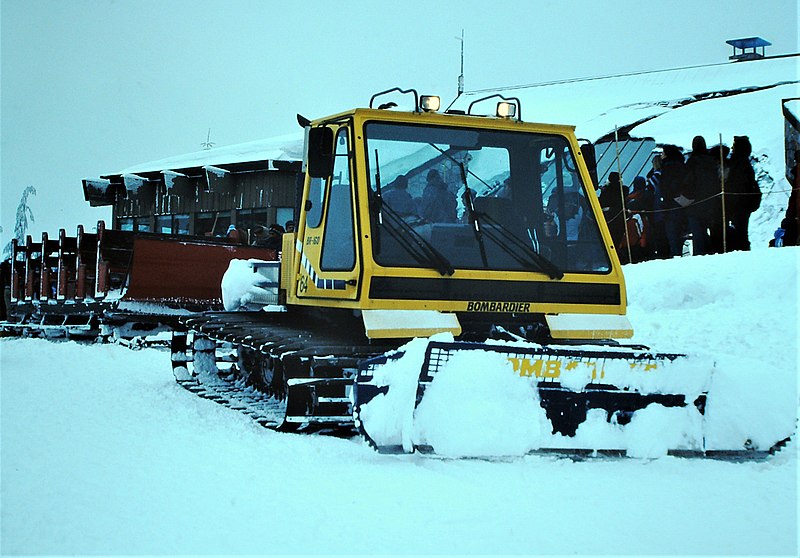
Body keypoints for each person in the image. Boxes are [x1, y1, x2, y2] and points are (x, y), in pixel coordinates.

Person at [681, 136, 720, 256]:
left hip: (695, 203)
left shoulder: (692, 162)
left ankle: (700, 256)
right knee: (706, 232)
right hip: (711, 202)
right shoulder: (712, 162)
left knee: (698, 234)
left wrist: (686, 199)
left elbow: (687, 182)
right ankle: (711, 253)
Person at [726, 136, 760, 251]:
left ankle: (740, 251)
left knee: (739, 231)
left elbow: (736, 185)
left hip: (737, 204)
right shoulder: (745, 163)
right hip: (743, 204)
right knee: (741, 230)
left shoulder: (737, 163)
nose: (732, 148)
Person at [658, 145, 687, 257]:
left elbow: (665, 188)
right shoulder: (681, 165)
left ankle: (675, 256)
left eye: (663, 153)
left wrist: (665, 201)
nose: (661, 156)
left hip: (671, 206)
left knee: (672, 236)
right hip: (682, 203)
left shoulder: (668, 167)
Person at [598, 172, 628, 250]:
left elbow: (601, 202)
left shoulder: (606, 190)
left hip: (608, 218)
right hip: (619, 218)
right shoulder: (624, 189)